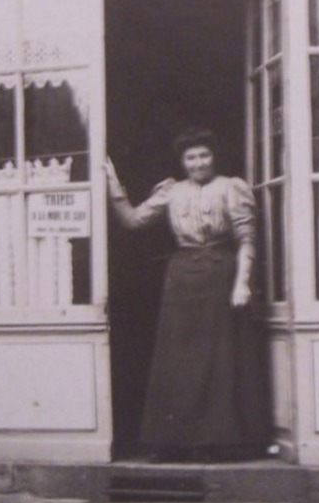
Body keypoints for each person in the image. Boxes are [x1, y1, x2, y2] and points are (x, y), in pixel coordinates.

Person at [105, 129, 271, 462]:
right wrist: (112, 182)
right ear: (183, 162)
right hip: (181, 279)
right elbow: (133, 221)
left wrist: (243, 283)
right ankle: (174, 441)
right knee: (179, 360)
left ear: (214, 157)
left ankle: (220, 442)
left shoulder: (231, 187)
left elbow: (247, 239)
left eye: (204, 156)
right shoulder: (171, 191)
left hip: (220, 275)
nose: (198, 163)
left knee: (218, 360)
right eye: (191, 157)